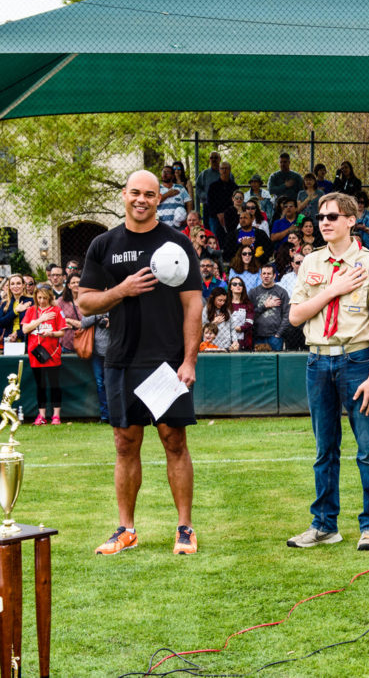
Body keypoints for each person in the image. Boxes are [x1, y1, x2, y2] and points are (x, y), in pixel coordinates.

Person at [79, 169, 203, 556]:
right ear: (124, 194)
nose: (142, 199)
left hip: (166, 363)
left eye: (150, 194)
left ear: (158, 200)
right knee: (124, 444)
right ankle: (126, 529)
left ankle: (185, 528)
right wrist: (122, 289)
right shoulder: (103, 244)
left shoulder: (178, 243)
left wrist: (189, 361)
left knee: (174, 442)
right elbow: (85, 301)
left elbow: (193, 305)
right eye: (135, 193)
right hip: (121, 359)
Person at [287, 192, 369, 551]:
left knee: (368, 448)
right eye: (321, 217)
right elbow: (296, 316)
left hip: (357, 360)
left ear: (351, 220)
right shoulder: (310, 262)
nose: (324, 222)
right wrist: (333, 290)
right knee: (324, 448)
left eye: (332, 216)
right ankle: (324, 525)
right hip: (317, 360)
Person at [24, 286, 67, 426]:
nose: (41, 301)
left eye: (44, 298)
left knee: (55, 384)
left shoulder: (56, 311)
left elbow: (62, 332)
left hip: (52, 353)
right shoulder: (31, 311)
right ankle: (41, 415)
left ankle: (56, 415)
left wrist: (52, 334)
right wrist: (40, 319)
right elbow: (25, 329)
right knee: (40, 385)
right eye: (39, 297)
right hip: (35, 354)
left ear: (50, 297)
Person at [249, 265, 290, 351]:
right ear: (260, 276)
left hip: (275, 337)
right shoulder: (253, 292)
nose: (266, 276)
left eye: (269, 274)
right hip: (258, 336)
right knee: (258, 362)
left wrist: (279, 334)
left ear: (274, 276)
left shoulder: (281, 292)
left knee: (275, 362)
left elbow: (287, 314)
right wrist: (264, 306)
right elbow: (250, 314)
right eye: (264, 273)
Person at [0, 274, 33, 343]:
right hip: (8, 340)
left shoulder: (31, 301)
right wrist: (15, 311)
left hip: (27, 340)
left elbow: (33, 323)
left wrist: (18, 334)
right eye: (12, 284)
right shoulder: (5, 303)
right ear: (9, 287)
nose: (15, 286)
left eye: (18, 283)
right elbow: (1, 323)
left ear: (24, 285)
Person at [157, 165, 192, 229]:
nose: (164, 174)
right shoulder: (157, 188)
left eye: (167, 172)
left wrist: (188, 217)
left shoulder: (180, 188)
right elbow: (154, 202)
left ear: (173, 176)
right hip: (162, 225)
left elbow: (189, 202)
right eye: (163, 172)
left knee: (180, 210)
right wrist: (167, 194)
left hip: (179, 226)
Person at [56, 275, 84, 353]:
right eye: (73, 282)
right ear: (68, 285)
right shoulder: (61, 301)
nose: (76, 284)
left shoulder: (87, 301)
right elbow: (56, 320)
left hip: (83, 343)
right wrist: (63, 323)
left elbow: (86, 324)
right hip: (65, 344)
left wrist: (67, 320)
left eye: (78, 282)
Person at [226, 277, 254, 352]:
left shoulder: (248, 304)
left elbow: (250, 322)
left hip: (244, 341)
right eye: (234, 284)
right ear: (230, 287)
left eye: (240, 284)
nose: (238, 286)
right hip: (227, 340)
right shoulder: (225, 304)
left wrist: (240, 328)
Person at [202, 287, 234, 351]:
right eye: (220, 300)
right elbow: (202, 328)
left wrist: (235, 341)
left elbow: (232, 328)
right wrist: (214, 323)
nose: (222, 303)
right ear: (213, 298)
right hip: (211, 345)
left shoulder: (227, 310)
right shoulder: (206, 310)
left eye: (224, 300)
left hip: (226, 345)